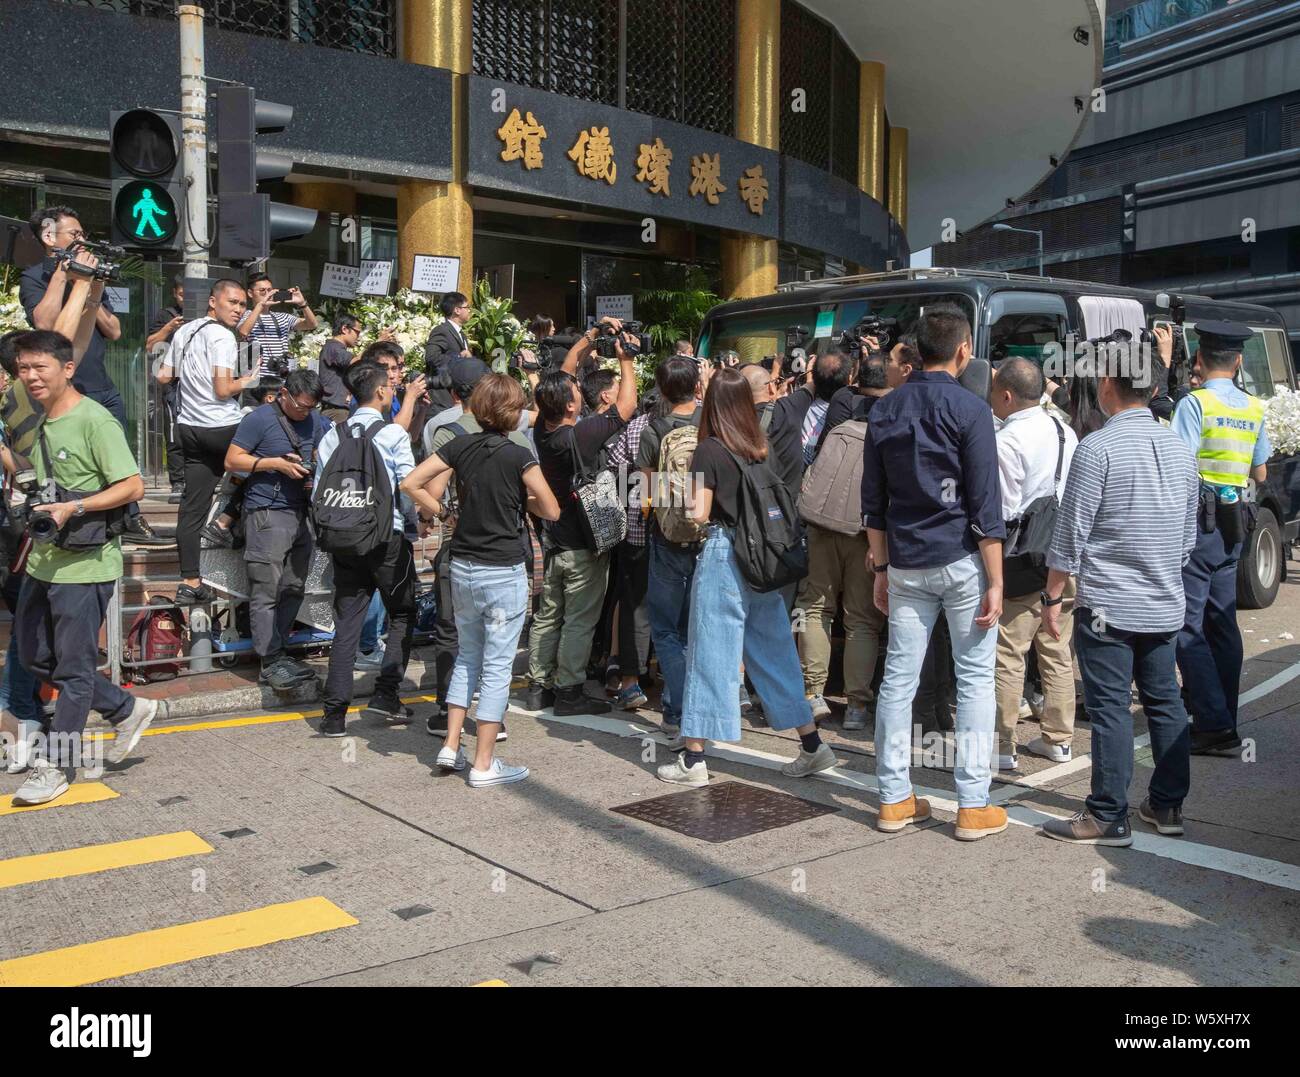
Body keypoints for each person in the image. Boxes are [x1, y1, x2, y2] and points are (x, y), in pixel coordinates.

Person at [861, 304, 1008, 841]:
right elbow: (985, 504)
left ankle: (894, 799)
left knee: (898, 680)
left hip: (903, 560)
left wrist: (879, 565)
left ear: (917, 351)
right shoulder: (971, 410)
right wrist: (996, 578)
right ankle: (972, 805)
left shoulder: (884, 409)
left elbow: (871, 500)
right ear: (964, 350)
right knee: (973, 680)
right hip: (961, 559)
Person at [1040, 365, 1200, 845]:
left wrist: (1052, 595)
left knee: (1110, 707)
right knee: (1164, 700)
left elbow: (1070, 534)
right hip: (1165, 600)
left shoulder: (1097, 448)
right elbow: (1189, 535)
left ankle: (1108, 814)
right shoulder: (1179, 448)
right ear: (1153, 389)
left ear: (1107, 386)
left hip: (1109, 602)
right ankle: (1166, 805)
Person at [655, 369, 835, 785]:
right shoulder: (759, 446)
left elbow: (699, 513)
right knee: (774, 654)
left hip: (723, 554)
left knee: (711, 654)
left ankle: (694, 759)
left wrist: (679, 492)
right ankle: (812, 745)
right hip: (763, 561)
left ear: (712, 404)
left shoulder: (708, 451)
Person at [7, 330, 164, 805]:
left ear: (67, 368)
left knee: (74, 671)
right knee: (36, 658)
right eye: (23, 369)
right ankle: (125, 707)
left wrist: (73, 509)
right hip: (43, 561)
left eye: (40, 367)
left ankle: (56, 765)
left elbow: (133, 485)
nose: (31, 377)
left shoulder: (95, 421)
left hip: (87, 563)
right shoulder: (40, 422)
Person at [402, 374, 561, 786]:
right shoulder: (518, 454)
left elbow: (410, 482)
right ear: (512, 411)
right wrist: (518, 499)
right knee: (496, 667)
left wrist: (441, 514)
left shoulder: (459, 445)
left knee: (467, 657)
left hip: (463, 566)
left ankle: (451, 745)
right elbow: (551, 509)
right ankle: (484, 763)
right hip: (502, 569)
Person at [20, 205, 163, 546]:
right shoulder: (35, 276)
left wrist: (90, 287)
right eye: (75, 234)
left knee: (118, 459)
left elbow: (113, 330)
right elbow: (45, 325)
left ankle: (130, 518)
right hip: (68, 388)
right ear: (49, 238)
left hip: (101, 384)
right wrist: (64, 276)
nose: (82, 240)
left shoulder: (88, 279)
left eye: (83, 234)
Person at [1169, 320, 1271, 758]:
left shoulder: (1195, 404)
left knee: (1186, 627)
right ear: (1240, 361)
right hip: (1235, 525)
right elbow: (1261, 471)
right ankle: (1224, 716)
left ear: (1199, 359)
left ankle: (1211, 723)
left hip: (1199, 522)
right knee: (1223, 624)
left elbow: (1177, 465)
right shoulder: (1253, 407)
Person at [524, 332, 638, 715]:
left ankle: (538, 685)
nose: (577, 388)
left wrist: (590, 337)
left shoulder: (543, 428)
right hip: (582, 543)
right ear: (572, 404)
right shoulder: (581, 436)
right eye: (573, 390)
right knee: (578, 619)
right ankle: (569, 690)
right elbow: (626, 406)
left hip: (554, 539)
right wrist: (625, 357)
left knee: (548, 614)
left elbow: (564, 372)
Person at [420, 356, 533, 737]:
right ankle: (493, 719)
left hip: (461, 548)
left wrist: (448, 516)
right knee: (498, 644)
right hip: (506, 546)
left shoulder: (448, 431)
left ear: (455, 394)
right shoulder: (516, 438)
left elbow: (431, 491)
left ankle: (447, 719)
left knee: (455, 634)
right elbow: (537, 499)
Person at [314, 361, 418, 737]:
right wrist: (413, 526)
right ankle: (386, 695)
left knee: (347, 624)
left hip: (343, 538)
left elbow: (319, 493)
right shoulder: (392, 434)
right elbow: (406, 489)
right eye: (389, 386)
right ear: (380, 393)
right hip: (385, 538)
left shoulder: (331, 435)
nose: (392, 390)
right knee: (404, 611)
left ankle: (333, 715)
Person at [990, 358, 1079, 771]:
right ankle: (1059, 739)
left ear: (1006, 395)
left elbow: (1005, 509)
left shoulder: (1006, 440)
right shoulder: (1065, 429)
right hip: (1064, 554)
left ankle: (1002, 746)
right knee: (1056, 648)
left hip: (1022, 557)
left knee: (1009, 652)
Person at [223, 370, 330, 691]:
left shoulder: (316, 420)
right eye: (300, 406)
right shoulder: (258, 419)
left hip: (304, 512)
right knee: (266, 589)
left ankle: (280, 651)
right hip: (267, 512)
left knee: (295, 586)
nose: (304, 413)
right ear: (282, 394)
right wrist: (276, 464)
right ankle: (268, 660)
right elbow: (232, 460)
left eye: (310, 408)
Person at [796, 357, 886, 731]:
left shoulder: (839, 426)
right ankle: (857, 706)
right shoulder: (890, 433)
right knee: (862, 619)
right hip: (866, 535)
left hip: (819, 525)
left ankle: (812, 694)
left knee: (815, 608)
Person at [158, 279, 258, 604]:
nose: (238, 309)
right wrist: (247, 380)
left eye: (242, 304)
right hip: (221, 427)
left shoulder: (185, 331)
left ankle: (189, 581)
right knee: (268, 459)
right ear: (213, 302)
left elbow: (162, 375)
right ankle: (227, 518)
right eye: (233, 302)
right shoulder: (222, 336)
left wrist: (191, 381)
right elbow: (222, 389)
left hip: (189, 429)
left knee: (191, 506)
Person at [637, 356, 704, 733]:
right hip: (706, 535)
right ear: (697, 386)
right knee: (695, 628)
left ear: (661, 389)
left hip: (666, 538)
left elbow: (646, 491)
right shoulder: (709, 423)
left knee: (665, 630)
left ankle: (677, 712)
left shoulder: (653, 429)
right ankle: (694, 709)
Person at [146, 274, 187, 501]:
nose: (185, 300)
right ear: (174, 293)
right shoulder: (166, 315)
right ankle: (178, 482)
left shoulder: (204, 316)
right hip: (172, 381)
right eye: (181, 295)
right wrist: (169, 327)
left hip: (200, 382)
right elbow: (150, 345)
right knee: (174, 433)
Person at [237, 273, 317, 388]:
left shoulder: (282, 317)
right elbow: (243, 332)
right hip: (256, 382)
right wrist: (260, 305)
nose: (267, 294)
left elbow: (312, 324)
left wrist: (302, 304)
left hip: (281, 380)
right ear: (250, 293)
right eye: (262, 291)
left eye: (270, 290)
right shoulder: (246, 316)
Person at [424, 291, 474, 413]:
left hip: (457, 399)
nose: (469, 311)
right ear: (457, 310)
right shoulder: (442, 330)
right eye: (467, 307)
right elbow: (431, 357)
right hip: (442, 399)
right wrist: (459, 358)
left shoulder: (461, 334)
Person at [319, 314, 361, 424]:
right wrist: (377, 344)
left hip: (339, 410)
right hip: (336, 411)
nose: (358, 337)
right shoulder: (332, 347)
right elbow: (356, 363)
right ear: (345, 329)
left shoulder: (335, 348)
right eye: (357, 332)